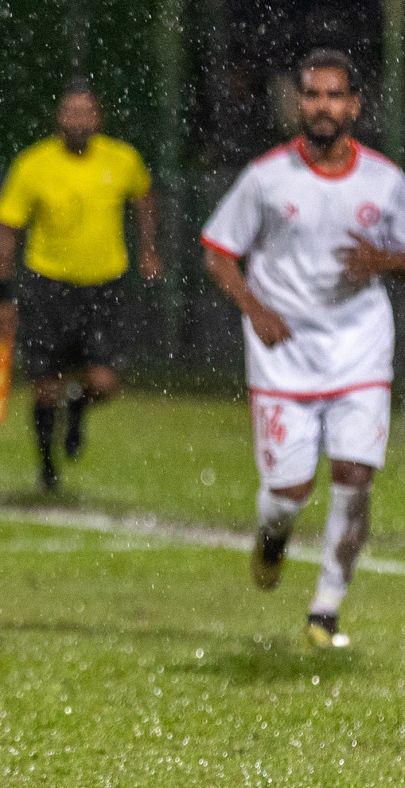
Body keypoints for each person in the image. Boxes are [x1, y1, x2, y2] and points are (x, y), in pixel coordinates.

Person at [201, 48, 405, 648]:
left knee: (354, 473)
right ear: (298, 103)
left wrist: (386, 261)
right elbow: (218, 250)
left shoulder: (386, 181)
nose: (323, 105)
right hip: (283, 352)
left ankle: (326, 610)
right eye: (312, 94)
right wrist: (256, 309)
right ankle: (272, 536)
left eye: (334, 95)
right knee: (288, 493)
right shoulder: (267, 178)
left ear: (354, 105)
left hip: (360, 346)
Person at [0, 79, 161, 492]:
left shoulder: (122, 159)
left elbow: (144, 198)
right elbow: (7, 228)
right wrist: (2, 293)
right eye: (70, 112)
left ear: (98, 117)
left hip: (104, 285)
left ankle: (79, 407)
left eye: (86, 112)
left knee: (105, 381)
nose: (77, 120)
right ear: (59, 118)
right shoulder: (35, 164)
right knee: (44, 386)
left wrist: (149, 249)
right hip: (48, 286)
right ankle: (47, 465)